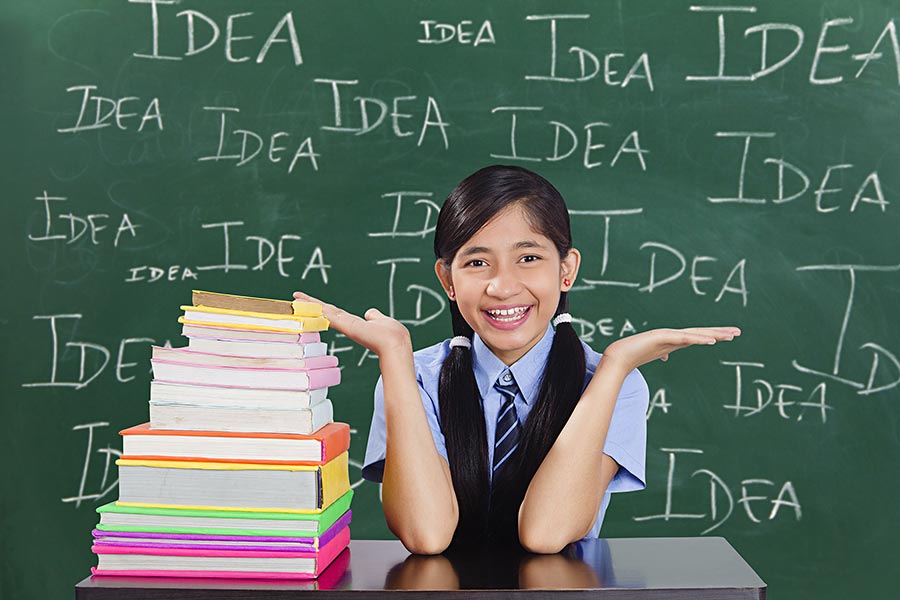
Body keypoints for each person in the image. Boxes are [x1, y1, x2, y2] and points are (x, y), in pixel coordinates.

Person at [294, 165, 740, 555]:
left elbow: (547, 533)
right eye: (476, 263)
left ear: (566, 270)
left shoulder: (610, 382)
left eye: (528, 258)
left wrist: (616, 365)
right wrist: (394, 357)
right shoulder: (418, 378)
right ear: (447, 280)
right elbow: (425, 534)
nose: (503, 287)